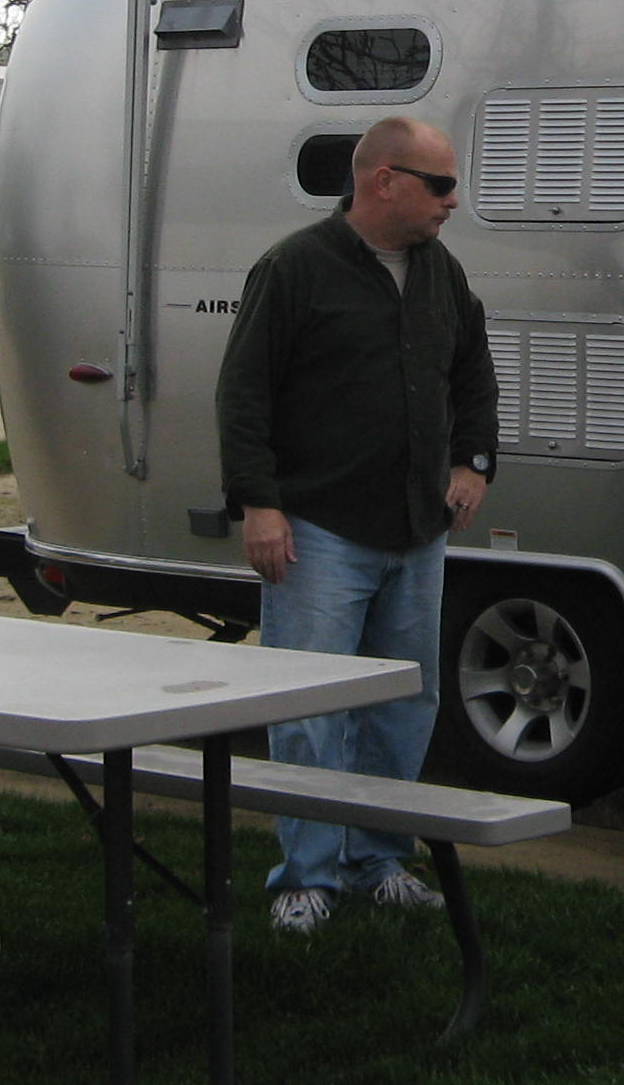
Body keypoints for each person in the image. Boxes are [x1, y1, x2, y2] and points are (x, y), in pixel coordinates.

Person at [217, 115, 498, 935]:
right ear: (384, 181)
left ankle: (379, 861)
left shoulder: (442, 274)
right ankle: (306, 878)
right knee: (310, 707)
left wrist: (473, 462)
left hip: (416, 530)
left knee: (403, 702)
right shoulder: (296, 269)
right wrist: (259, 504)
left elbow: (473, 371)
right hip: (320, 531)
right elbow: (243, 393)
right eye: (440, 185)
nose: (453, 201)